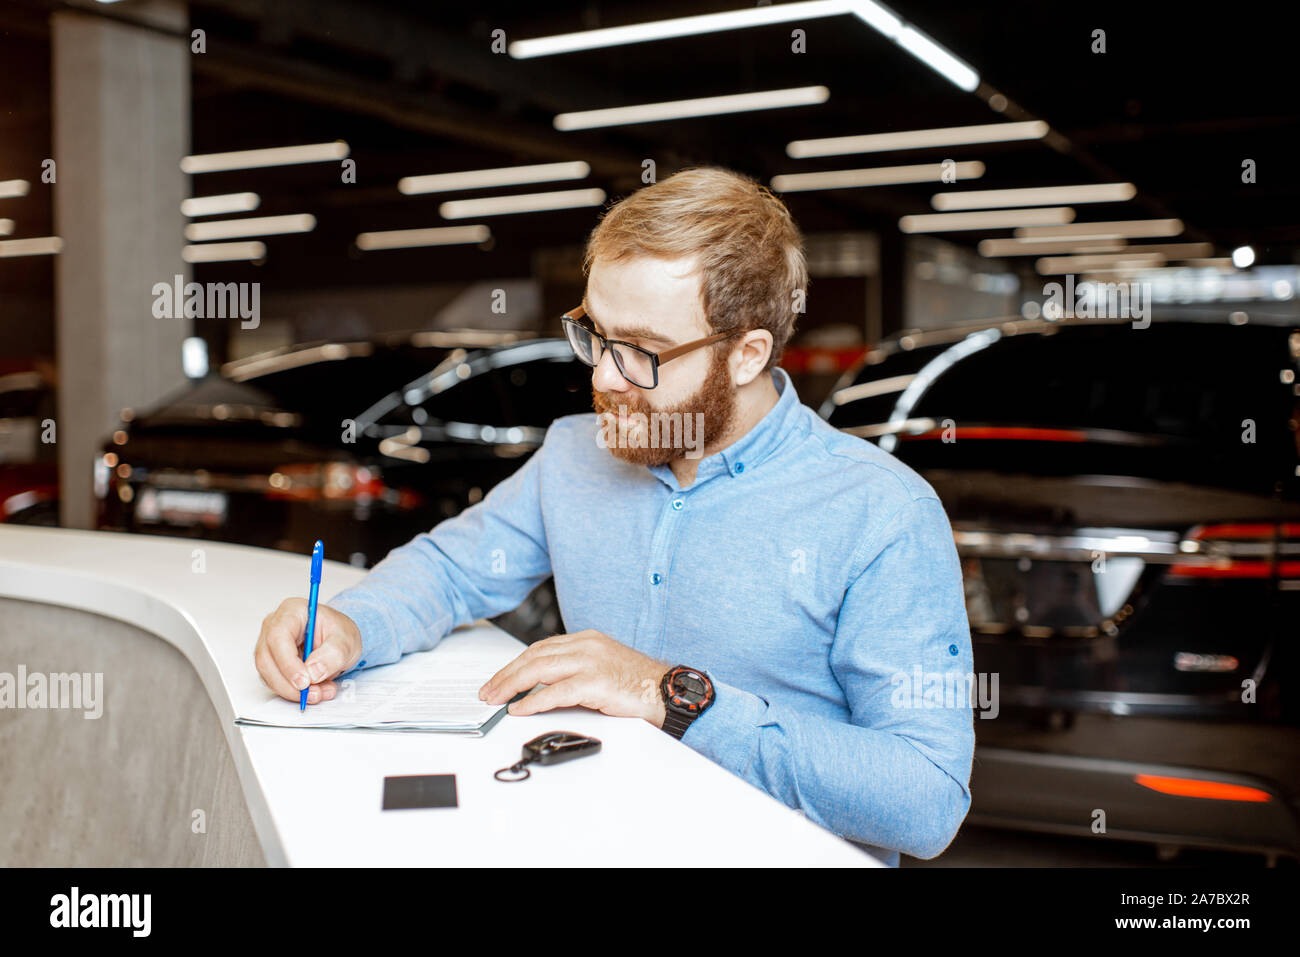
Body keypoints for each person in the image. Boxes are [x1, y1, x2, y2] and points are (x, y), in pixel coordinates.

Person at [254, 166, 975, 865]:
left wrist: (666, 694)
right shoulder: (575, 453)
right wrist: (354, 623)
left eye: (640, 351)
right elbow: (449, 571)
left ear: (748, 354)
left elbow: (923, 799)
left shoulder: (882, 512)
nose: (602, 377)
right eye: (595, 334)